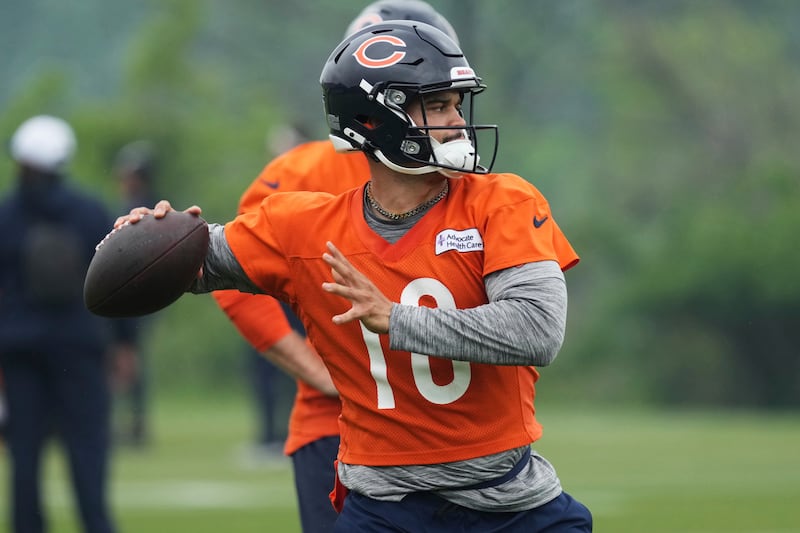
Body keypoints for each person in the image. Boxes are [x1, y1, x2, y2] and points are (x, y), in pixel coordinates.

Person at [118, 20, 592, 532]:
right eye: (437, 105)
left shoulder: (502, 201)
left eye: (457, 104)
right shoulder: (299, 226)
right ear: (373, 119)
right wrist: (146, 237)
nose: (457, 121)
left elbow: (537, 330)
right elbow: (193, 263)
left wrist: (396, 319)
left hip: (510, 505)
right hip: (385, 509)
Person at [211, 2, 464, 531]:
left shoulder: (476, 187)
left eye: (448, 98)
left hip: (453, 431)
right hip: (340, 423)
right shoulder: (300, 174)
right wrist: (312, 368)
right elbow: (233, 284)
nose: (452, 116)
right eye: (429, 96)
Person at [0, 115, 128, 533]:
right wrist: (125, 343)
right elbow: (121, 279)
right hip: (80, 348)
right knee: (88, 453)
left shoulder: (6, 216)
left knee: (24, 457)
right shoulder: (90, 211)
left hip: (20, 351)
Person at [109, 140, 158, 448]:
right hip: (136, 293)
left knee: (126, 359)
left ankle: (134, 423)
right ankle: (133, 422)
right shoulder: (142, 202)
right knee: (127, 360)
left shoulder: (141, 207)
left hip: (134, 293)